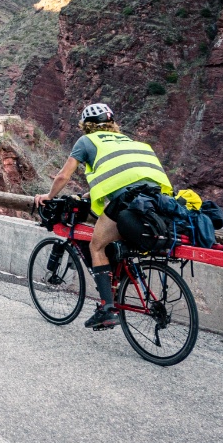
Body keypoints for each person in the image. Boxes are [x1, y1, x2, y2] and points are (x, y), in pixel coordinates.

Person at [33, 103, 173, 330]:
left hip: (128, 201)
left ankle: (107, 308)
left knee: (97, 246)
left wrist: (48, 195)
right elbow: (119, 176)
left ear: (86, 126)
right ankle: (117, 288)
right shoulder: (127, 141)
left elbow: (63, 176)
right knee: (116, 244)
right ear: (112, 123)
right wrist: (87, 194)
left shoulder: (87, 141)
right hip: (156, 201)